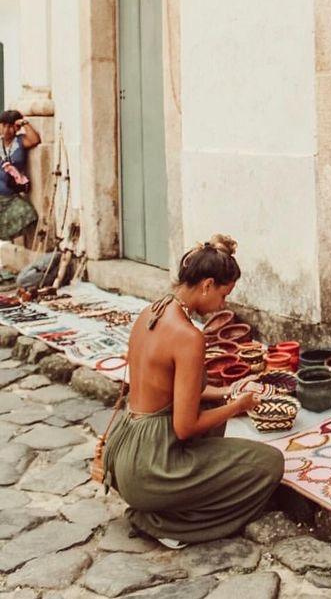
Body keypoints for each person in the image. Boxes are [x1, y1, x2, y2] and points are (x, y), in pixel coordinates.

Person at [103, 234, 283, 547]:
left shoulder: (152, 312)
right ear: (207, 285)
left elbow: (178, 392)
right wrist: (240, 405)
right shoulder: (189, 337)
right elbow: (185, 427)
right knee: (270, 463)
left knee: (217, 419)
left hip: (123, 454)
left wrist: (229, 390)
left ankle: (163, 504)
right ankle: (166, 522)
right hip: (152, 466)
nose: (223, 305)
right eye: (224, 295)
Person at [0, 109, 40, 243]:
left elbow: (35, 139)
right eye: (4, 125)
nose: (6, 130)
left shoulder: (20, 141)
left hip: (11, 195)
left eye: (11, 126)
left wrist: (24, 122)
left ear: (16, 127)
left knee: (28, 214)